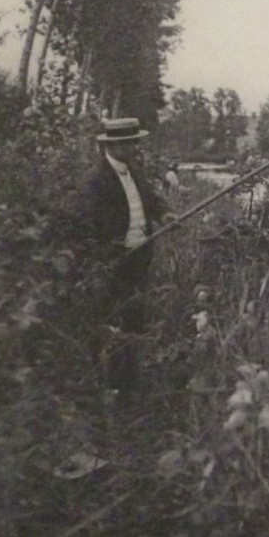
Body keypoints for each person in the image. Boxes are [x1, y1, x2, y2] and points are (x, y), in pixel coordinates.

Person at [83, 117, 168, 399]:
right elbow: (92, 224)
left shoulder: (135, 171)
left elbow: (150, 200)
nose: (132, 147)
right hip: (114, 262)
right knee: (111, 323)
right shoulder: (97, 179)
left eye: (134, 142)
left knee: (135, 319)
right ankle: (107, 388)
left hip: (139, 258)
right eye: (126, 143)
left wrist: (163, 214)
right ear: (112, 144)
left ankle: (130, 385)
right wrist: (107, 254)